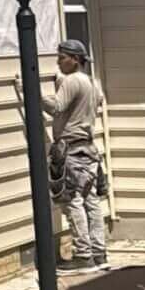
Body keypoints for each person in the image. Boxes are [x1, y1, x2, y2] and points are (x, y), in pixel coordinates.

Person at [43, 37, 109, 272]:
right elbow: (90, 98)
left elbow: (56, 107)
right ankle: (99, 253)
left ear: (75, 59)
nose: (58, 61)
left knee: (73, 202)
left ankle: (83, 256)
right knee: (92, 202)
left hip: (72, 151)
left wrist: (31, 91)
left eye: (62, 58)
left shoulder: (72, 81)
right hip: (89, 151)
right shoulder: (91, 81)